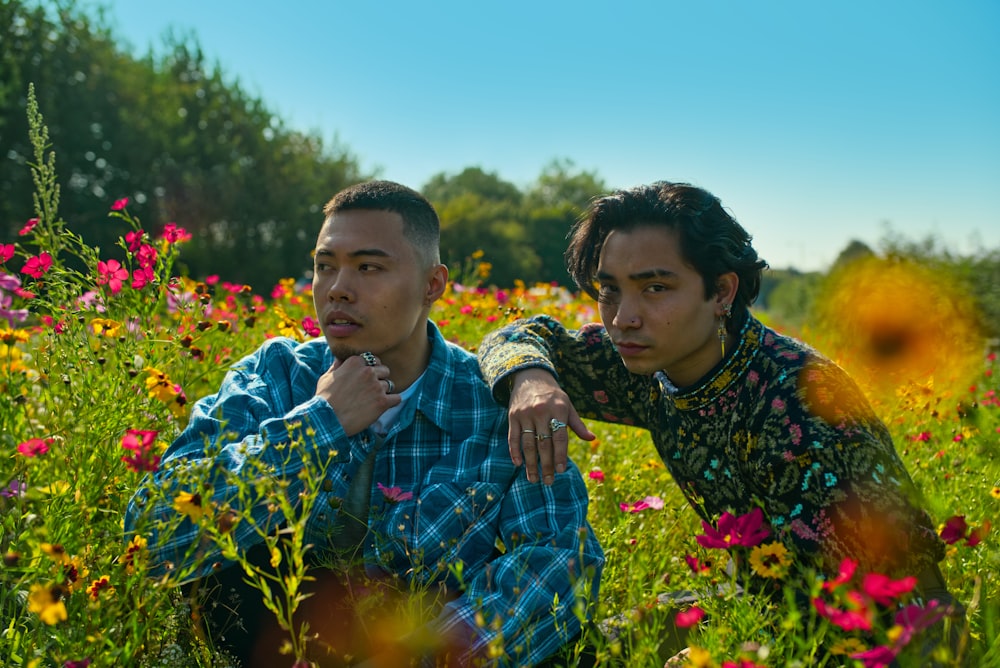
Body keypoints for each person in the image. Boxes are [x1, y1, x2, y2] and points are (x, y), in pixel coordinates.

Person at [124, 180, 603, 667]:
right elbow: (152, 540)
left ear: (432, 285)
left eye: (368, 267)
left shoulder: (492, 407)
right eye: (324, 266)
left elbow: (557, 563)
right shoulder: (276, 376)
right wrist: (320, 423)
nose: (338, 289)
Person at [477, 181, 962, 657]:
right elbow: (517, 336)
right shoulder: (650, 361)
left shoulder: (800, 405)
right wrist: (532, 379)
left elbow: (903, 605)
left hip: (864, 641)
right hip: (753, 611)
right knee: (572, 651)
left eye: (655, 287)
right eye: (610, 289)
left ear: (721, 292)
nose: (624, 317)